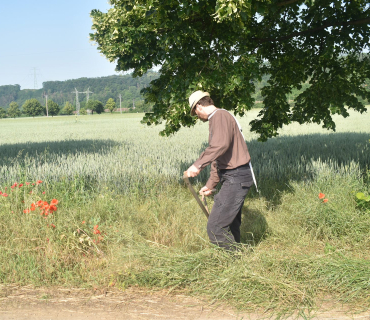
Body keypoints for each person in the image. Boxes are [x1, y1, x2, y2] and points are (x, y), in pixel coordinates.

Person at [186, 90, 255, 251]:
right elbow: (220, 157)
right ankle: (236, 262)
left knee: (216, 227)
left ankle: (236, 260)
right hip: (234, 177)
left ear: (199, 106)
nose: (197, 116)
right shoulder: (217, 118)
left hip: (236, 177)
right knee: (229, 224)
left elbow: (219, 146)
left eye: (194, 112)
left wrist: (198, 165)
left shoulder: (219, 116)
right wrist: (211, 184)